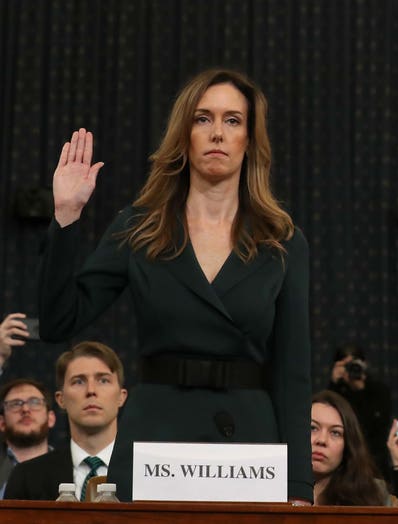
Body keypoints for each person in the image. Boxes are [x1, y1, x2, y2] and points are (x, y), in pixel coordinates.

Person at [38, 69, 312, 501]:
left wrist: (298, 486)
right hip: (155, 437)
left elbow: (293, 374)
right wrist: (66, 217)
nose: (217, 133)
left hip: (249, 448)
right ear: (183, 134)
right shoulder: (139, 227)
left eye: (233, 120)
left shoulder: (282, 240)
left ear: (251, 139)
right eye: (203, 119)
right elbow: (58, 321)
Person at [5, 341, 127, 501]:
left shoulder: (145, 474)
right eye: (79, 381)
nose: (91, 390)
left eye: (103, 380)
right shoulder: (26, 476)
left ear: (121, 396)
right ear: (61, 399)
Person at [310, 390, 390, 506]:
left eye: (335, 433)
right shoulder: (275, 488)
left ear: (348, 444)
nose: (322, 440)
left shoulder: (372, 492)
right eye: (313, 428)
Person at [327, 344, 392, 474]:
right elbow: (327, 417)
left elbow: (378, 426)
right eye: (346, 366)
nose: (352, 369)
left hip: (374, 460)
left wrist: (360, 390)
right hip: (343, 461)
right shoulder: (336, 392)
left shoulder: (378, 390)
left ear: (364, 365)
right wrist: (333, 384)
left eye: (355, 364)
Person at [0, 378, 57, 498]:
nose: (25, 409)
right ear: (2, 423)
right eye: (15, 404)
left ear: (51, 418)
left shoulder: (71, 466)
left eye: (35, 402)